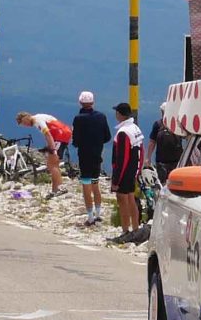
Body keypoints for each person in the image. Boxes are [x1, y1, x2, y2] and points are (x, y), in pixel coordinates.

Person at [70, 92, 111, 227]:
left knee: (86, 184)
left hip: (84, 155)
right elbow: (107, 137)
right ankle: (98, 213)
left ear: (80, 103)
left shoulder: (78, 119)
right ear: (93, 103)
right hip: (97, 154)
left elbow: (75, 141)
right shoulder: (101, 116)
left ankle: (90, 216)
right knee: (95, 183)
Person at [107, 103, 144, 244]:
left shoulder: (123, 132)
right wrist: (137, 171)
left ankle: (125, 231)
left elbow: (122, 158)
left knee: (122, 200)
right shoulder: (135, 128)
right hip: (133, 169)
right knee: (131, 198)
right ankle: (135, 230)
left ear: (120, 114)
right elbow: (142, 150)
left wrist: (116, 180)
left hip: (124, 170)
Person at [16, 110, 70, 196]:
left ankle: (60, 188)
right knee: (54, 164)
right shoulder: (39, 117)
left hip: (59, 136)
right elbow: (48, 133)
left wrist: (52, 149)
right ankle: (55, 190)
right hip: (63, 134)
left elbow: (48, 134)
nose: (25, 125)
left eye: (23, 122)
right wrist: (48, 147)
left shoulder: (37, 120)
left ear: (26, 117)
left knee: (52, 164)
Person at [149, 109, 182, 181]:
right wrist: (148, 158)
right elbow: (152, 141)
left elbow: (187, 137)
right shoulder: (158, 125)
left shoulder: (178, 124)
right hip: (161, 162)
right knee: (162, 182)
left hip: (176, 161)